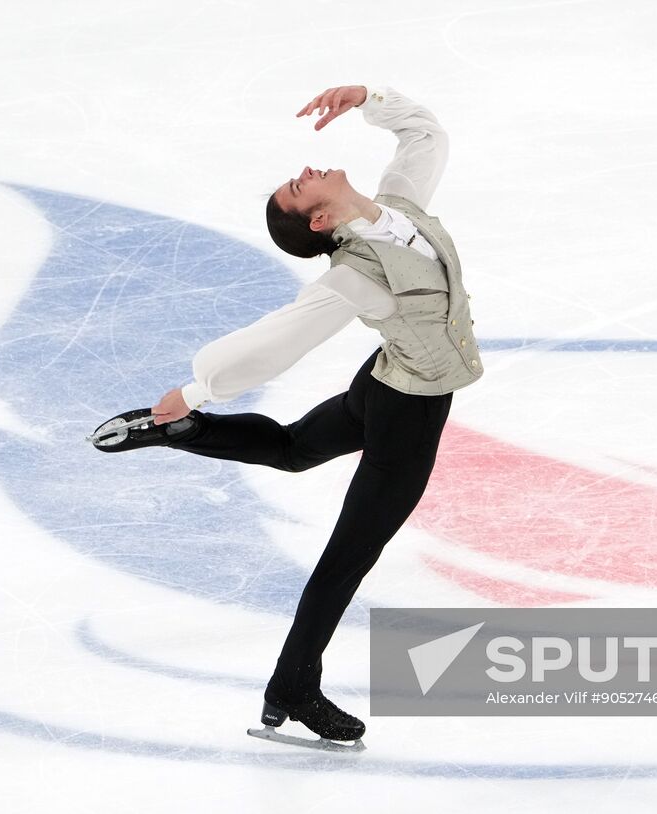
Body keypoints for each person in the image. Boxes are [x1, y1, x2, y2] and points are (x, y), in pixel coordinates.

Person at [90, 83, 482, 746]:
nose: (303, 174)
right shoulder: (354, 277)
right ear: (321, 224)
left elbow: (427, 138)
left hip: (387, 380)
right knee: (348, 556)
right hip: (408, 411)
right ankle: (293, 687)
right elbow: (277, 339)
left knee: (296, 446)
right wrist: (199, 386)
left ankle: (182, 435)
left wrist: (366, 98)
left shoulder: (397, 207)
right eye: (297, 191)